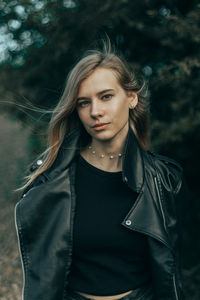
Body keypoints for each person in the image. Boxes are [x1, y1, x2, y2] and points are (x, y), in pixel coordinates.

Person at [15, 39, 189, 300]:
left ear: (131, 98)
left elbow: (174, 271)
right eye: (84, 102)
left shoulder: (163, 179)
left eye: (106, 96)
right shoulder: (52, 177)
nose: (95, 111)